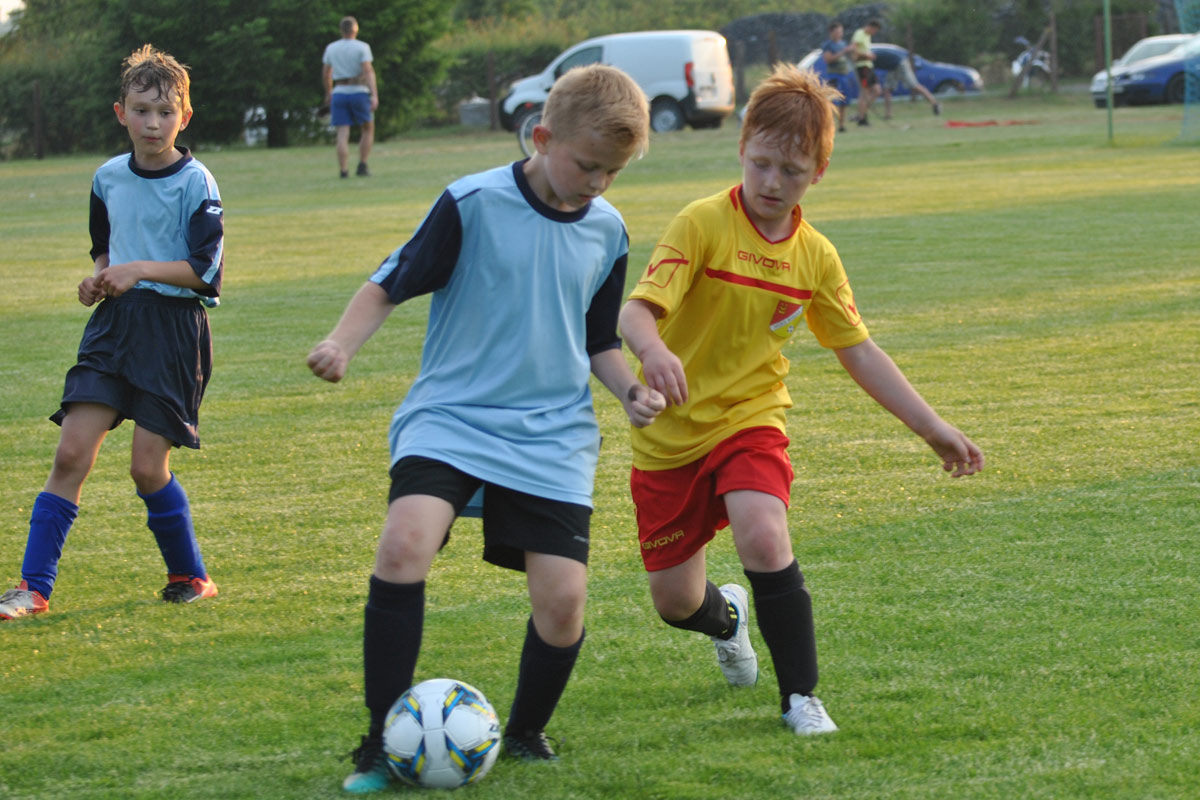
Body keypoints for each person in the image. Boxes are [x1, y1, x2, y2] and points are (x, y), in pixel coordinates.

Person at [307, 64, 665, 793]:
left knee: (563, 603)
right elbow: (389, 282)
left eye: (614, 172)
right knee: (404, 544)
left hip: (551, 432)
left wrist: (629, 389)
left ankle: (526, 731)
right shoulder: (472, 202)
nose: (599, 183)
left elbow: (598, 338)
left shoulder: (607, 230)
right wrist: (342, 344)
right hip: (453, 415)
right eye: (588, 165)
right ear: (542, 137)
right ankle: (378, 743)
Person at [618, 64, 983, 736]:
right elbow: (636, 311)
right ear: (742, 149)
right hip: (670, 436)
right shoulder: (701, 223)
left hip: (751, 419)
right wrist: (653, 351)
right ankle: (727, 619)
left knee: (763, 533)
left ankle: (800, 698)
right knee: (675, 602)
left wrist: (931, 427)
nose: (771, 183)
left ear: (818, 172)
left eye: (791, 171)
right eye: (760, 164)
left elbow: (859, 351)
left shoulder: (815, 256)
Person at [0, 45, 224, 621]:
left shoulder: (197, 182)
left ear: (184, 117)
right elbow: (105, 249)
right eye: (142, 110)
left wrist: (137, 270)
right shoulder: (106, 178)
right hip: (114, 328)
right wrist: (100, 278)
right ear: (121, 113)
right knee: (71, 452)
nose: (153, 123)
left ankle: (190, 576)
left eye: (165, 112)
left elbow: (205, 272)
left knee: (146, 468)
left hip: (173, 332)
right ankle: (31, 588)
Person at [322, 15, 378, 178]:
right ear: (356, 29)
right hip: (359, 91)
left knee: (342, 132)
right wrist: (374, 94)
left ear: (341, 30)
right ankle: (362, 165)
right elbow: (368, 71)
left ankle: (343, 170)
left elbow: (326, 73)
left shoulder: (331, 48)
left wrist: (329, 92)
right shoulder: (362, 47)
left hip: (339, 92)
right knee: (367, 128)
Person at [874, 47, 942, 117]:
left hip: (900, 64)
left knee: (914, 85)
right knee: (887, 90)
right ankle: (888, 114)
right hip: (891, 68)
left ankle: (935, 103)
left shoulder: (872, 57)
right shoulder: (871, 57)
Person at [819, 22, 854, 132]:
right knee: (831, 101)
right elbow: (828, 59)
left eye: (841, 32)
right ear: (831, 32)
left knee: (844, 100)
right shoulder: (828, 45)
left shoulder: (843, 43)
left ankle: (841, 125)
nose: (840, 34)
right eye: (837, 32)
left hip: (844, 75)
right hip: (833, 75)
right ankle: (829, 125)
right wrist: (843, 51)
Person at [851, 18, 883, 126]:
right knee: (865, 93)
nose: (874, 33)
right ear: (871, 27)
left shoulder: (868, 36)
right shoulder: (860, 33)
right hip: (862, 66)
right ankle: (862, 118)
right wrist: (867, 55)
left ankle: (862, 112)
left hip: (869, 66)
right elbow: (854, 50)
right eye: (875, 30)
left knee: (877, 90)